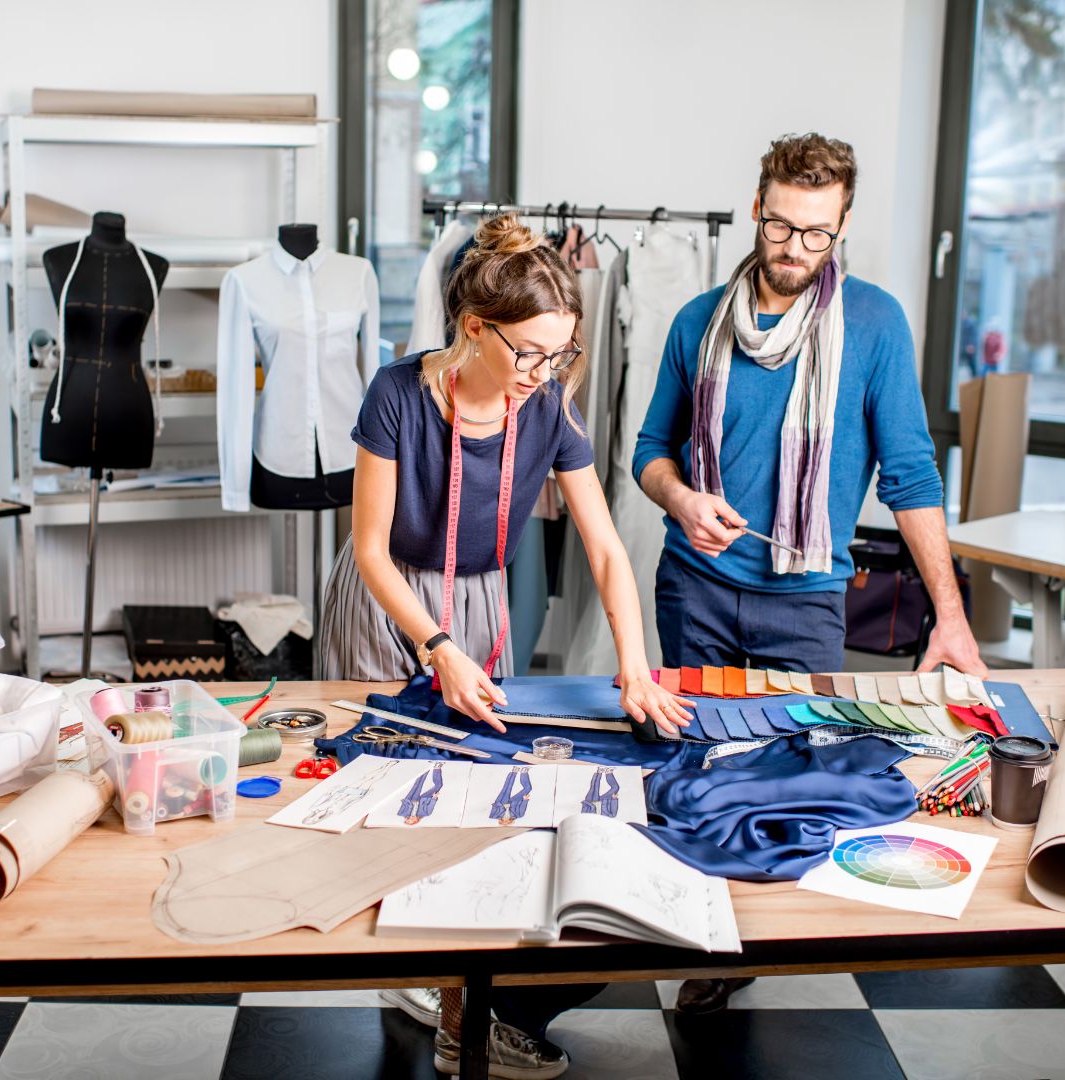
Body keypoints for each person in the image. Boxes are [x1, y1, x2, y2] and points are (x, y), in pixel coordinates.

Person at [321, 214, 691, 1077]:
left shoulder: (546, 411)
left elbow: (604, 545)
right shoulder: (398, 394)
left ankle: (462, 997)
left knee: (471, 783)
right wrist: (437, 644)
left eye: (558, 356)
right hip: (390, 599)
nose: (540, 374)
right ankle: (406, 966)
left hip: (478, 600)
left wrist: (634, 663)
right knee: (386, 779)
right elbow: (371, 549)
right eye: (527, 352)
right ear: (474, 329)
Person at [633, 132, 988, 1016]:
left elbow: (909, 475)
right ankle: (695, 928)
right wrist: (680, 501)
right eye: (782, 228)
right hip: (696, 590)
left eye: (817, 234)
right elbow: (648, 454)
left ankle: (744, 943)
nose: (795, 251)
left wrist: (949, 615)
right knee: (695, 775)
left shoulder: (873, 324)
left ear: (844, 225)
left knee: (792, 784)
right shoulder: (696, 322)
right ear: (757, 208)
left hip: (807, 605)